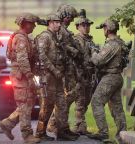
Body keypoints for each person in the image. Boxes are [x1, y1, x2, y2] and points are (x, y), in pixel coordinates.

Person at [0, 13, 41, 144]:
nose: (34, 26)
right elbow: (22, 59)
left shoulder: (25, 38)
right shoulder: (21, 39)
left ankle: (7, 123)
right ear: (25, 24)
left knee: (27, 103)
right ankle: (27, 135)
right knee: (25, 106)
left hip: (22, 75)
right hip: (21, 76)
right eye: (32, 23)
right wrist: (29, 76)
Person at [35, 13, 77, 141]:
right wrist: (54, 70)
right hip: (48, 76)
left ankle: (62, 131)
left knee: (62, 103)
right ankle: (40, 132)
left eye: (59, 22)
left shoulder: (56, 37)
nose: (59, 24)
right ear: (50, 23)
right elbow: (42, 56)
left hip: (58, 76)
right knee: (47, 105)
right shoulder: (45, 36)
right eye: (56, 22)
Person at [87, 19, 127, 142]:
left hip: (110, 77)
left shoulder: (112, 44)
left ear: (107, 29)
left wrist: (93, 51)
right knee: (117, 108)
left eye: (104, 29)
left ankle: (103, 132)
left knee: (96, 101)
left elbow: (98, 61)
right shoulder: (121, 42)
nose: (103, 31)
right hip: (117, 77)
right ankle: (122, 135)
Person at [46, 4, 80, 140]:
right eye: (69, 17)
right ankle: (57, 126)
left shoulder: (64, 29)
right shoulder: (59, 30)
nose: (71, 20)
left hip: (68, 68)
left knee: (66, 98)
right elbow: (59, 46)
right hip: (62, 70)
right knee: (65, 98)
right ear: (64, 16)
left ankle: (61, 126)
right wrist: (72, 50)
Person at [72, 9, 96, 135]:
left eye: (88, 25)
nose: (86, 27)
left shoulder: (89, 40)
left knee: (86, 101)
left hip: (88, 75)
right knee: (80, 101)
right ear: (77, 26)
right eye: (83, 25)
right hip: (79, 75)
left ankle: (80, 126)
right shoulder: (76, 40)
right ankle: (77, 126)